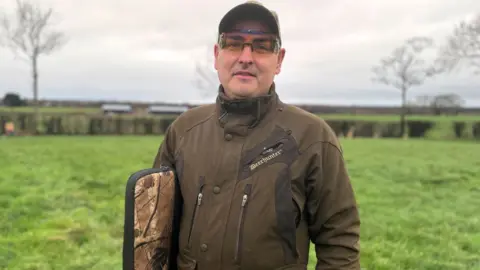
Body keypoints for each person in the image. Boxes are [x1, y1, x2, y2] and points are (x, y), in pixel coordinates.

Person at [152, 1, 360, 269]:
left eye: (262, 46)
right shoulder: (183, 131)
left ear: (279, 60)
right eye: (234, 43)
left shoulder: (313, 138)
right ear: (217, 55)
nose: (246, 57)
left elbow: (339, 243)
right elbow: (155, 230)